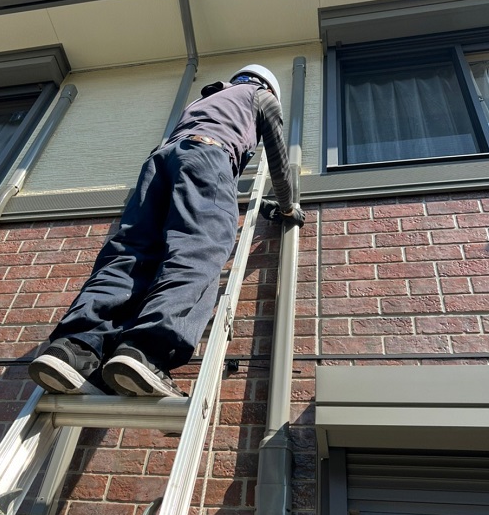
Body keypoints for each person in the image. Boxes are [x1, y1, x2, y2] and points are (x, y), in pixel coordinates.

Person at [28, 64, 305, 399]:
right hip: (208, 156)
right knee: (198, 248)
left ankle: (74, 349)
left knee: (130, 254)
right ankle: (146, 351)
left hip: (159, 162)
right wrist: (288, 206)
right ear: (267, 86)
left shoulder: (203, 100)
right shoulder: (261, 97)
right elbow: (277, 160)